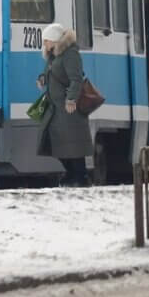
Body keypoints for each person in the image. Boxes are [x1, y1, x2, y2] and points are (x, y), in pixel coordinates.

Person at [36, 23, 93, 186]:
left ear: (54, 39)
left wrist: (71, 99)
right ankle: (71, 173)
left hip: (69, 108)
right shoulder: (53, 56)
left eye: (46, 40)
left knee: (74, 145)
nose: (44, 44)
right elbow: (50, 73)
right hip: (55, 108)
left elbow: (76, 79)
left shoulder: (70, 54)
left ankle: (80, 176)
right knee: (56, 142)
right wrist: (42, 79)